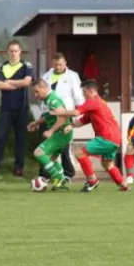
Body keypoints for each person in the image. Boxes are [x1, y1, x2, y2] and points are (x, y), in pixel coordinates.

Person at [51, 80, 130, 193]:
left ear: (91, 91)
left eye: (84, 92)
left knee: (80, 154)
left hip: (106, 137)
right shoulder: (98, 103)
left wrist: (58, 113)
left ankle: (92, 181)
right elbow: (83, 120)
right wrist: (71, 125)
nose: (83, 95)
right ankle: (124, 185)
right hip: (115, 138)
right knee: (107, 164)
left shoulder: (93, 101)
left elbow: (76, 113)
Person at [0, 40, 34, 177]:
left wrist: (9, 82)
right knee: (1, 137)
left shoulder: (26, 65)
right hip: (6, 108)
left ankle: (19, 167)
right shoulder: (1, 66)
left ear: (20, 51)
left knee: (20, 138)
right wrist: (18, 85)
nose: (14, 53)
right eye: (11, 51)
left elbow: (27, 82)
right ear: (7, 52)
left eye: (16, 50)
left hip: (22, 108)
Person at [40, 52, 83, 182]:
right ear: (52, 64)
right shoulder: (46, 76)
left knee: (63, 147)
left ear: (65, 64)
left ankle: (68, 173)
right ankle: (45, 175)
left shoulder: (72, 76)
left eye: (60, 64)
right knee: (45, 146)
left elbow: (79, 98)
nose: (58, 67)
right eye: (55, 64)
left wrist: (75, 119)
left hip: (64, 116)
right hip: (48, 116)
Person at [28, 79, 73, 190]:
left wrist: (51, 131)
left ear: (44, 88)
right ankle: (62, 182)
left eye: (37, 91)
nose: (35, 95)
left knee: (39, 153)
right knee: (53, 158)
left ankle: (59, 178)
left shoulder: (52, 100)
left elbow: (63, 116)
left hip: (61, 133)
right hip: (63, 134)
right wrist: (37, 122)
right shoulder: (49, 99)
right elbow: (51, 115)